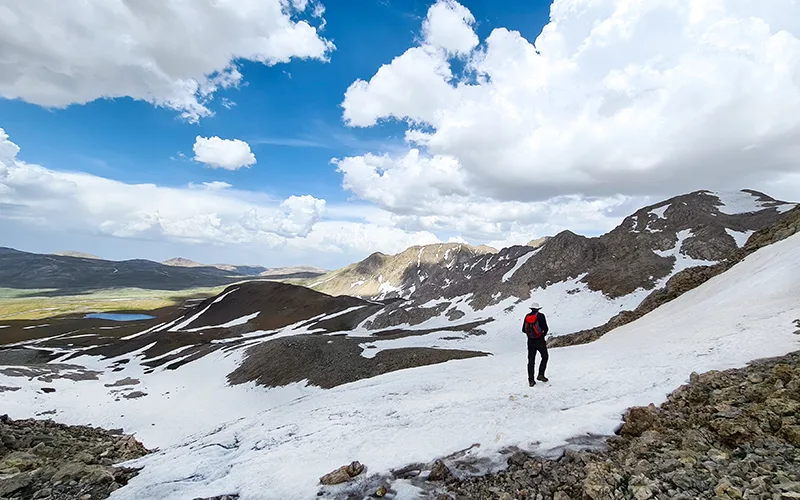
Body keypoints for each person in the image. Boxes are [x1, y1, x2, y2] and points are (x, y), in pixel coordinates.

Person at [522, 302, 549, 386]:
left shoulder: (527, 316)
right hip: (540, 340)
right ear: (538, 309)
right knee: (545, 357)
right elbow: (546, 328)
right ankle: (541, 374)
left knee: (531, 360)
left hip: (530, 341)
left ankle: (531, 380)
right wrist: (542, 335)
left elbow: (523, 329)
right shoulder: (541, 316)